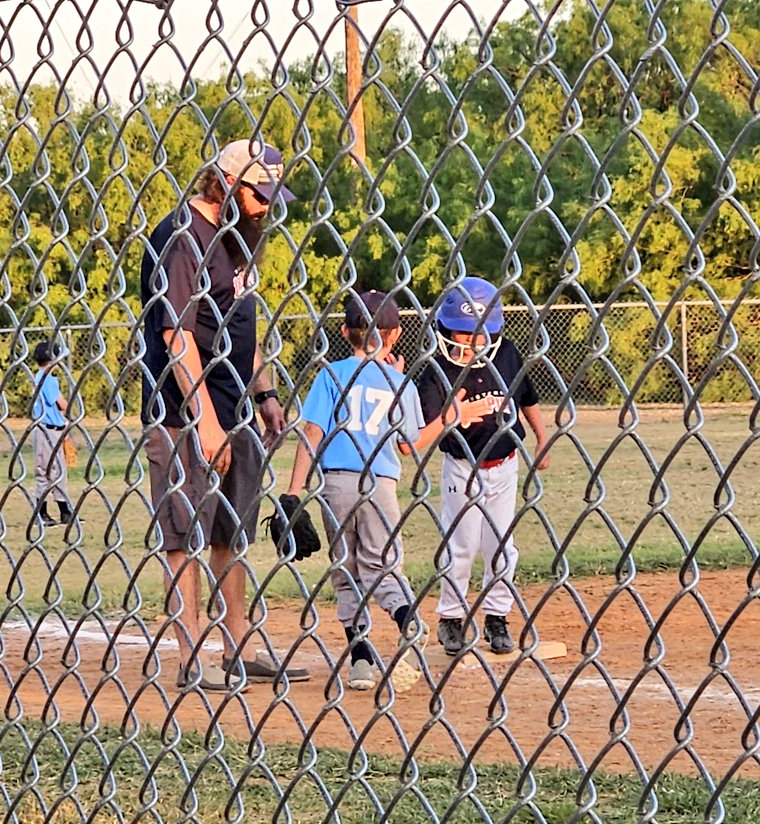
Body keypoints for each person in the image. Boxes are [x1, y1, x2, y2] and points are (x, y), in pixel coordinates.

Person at [140, 138, 309, 691]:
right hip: (183, 413)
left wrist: (264, 394)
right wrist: (206, 420)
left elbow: (243, 331)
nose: (264, 206)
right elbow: (177, 335)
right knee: (183, 533)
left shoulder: (234, 243)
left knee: (229, 533)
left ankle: (238, 649)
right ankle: (192, 657)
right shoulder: (181, 235)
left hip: (235, 407)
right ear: (225, 183)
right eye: (257, 194)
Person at [286, 290, 490, 691]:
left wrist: (294, 493)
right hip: (380, 484)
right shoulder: (400, 383)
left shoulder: (330, 375)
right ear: (395, 334)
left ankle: (361, 659)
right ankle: (406, 619)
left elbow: (312, 433)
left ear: (346, 332)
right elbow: (408, 445)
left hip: (336, 482)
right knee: (382, 564)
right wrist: (451, 416)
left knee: (346, 569)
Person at [418, 276, 550, 657]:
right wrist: (455, 415)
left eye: (478, 334)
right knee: (461, 546)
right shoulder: (437, 369)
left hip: (505, 465)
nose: (471, 342)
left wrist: (542, 438)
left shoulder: (506, 353)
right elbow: (423, 431)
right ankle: (451, 617)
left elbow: (528, 397)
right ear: (446, 329)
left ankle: (496, 615)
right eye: (462, 333)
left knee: (502, 547)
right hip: (462, 467)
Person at [30, 342, 75, 529]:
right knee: (45, 472)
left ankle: (65, 512)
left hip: (54, 429)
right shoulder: (47, 379)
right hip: (45, 430)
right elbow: (61, 404)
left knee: (58, 470)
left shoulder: (41, 377)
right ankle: (41, 513)